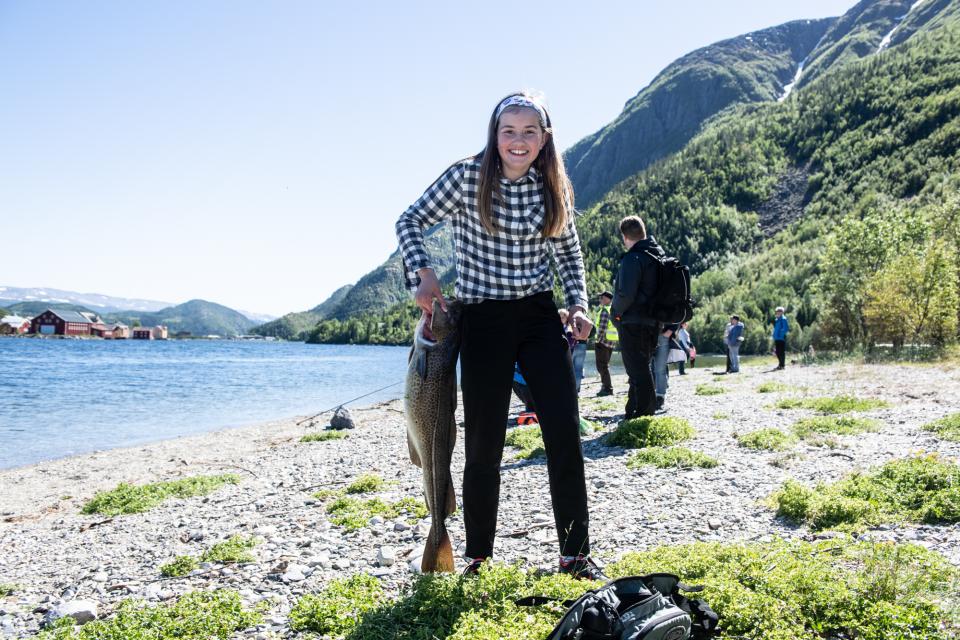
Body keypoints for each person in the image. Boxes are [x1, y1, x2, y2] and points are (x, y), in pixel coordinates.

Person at [395, 90, 603, 580]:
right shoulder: (466, 177)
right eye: (508, 130)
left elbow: (570, 256)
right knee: (483, 442)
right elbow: (409, 221)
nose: (518, 140)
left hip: (537, 317)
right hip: (481, 319)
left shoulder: (554, 187)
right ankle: (478, 557)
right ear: (494, 135)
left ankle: (575, 553)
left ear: (544, 138)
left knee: (564, 434)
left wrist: (578, 304)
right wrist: (422, 274)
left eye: (530, 131)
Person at [610, 215, 663, 419]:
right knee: (641, 367)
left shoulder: (633, 258)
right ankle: (632, 410)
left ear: (625, 237)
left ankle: (643, 415)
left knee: (638, 370)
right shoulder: (657, 257)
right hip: (653, 322)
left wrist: (615, 314)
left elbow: (625, 295)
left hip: (633, 321)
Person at [592, 291, 617, 396]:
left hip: (603, 342)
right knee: (604, 365)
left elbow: (602, 327)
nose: (600, 300)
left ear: (607, 299)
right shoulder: (613, 309)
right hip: (611, 341)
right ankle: (606, 386)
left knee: (601, 366)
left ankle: (607, 388)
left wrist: (597, 339)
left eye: (601, 298)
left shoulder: (605, 311)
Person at [560, 309, 588, 393]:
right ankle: (576, 390)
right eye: (560, 317)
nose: (561, 319)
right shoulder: (583, 317)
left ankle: (572, 390)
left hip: (571, 349)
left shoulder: (568, 326)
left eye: (562, 317)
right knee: (578, 369)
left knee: (570, 369)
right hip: (582, 345)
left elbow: (569, 340)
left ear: (566, 316)